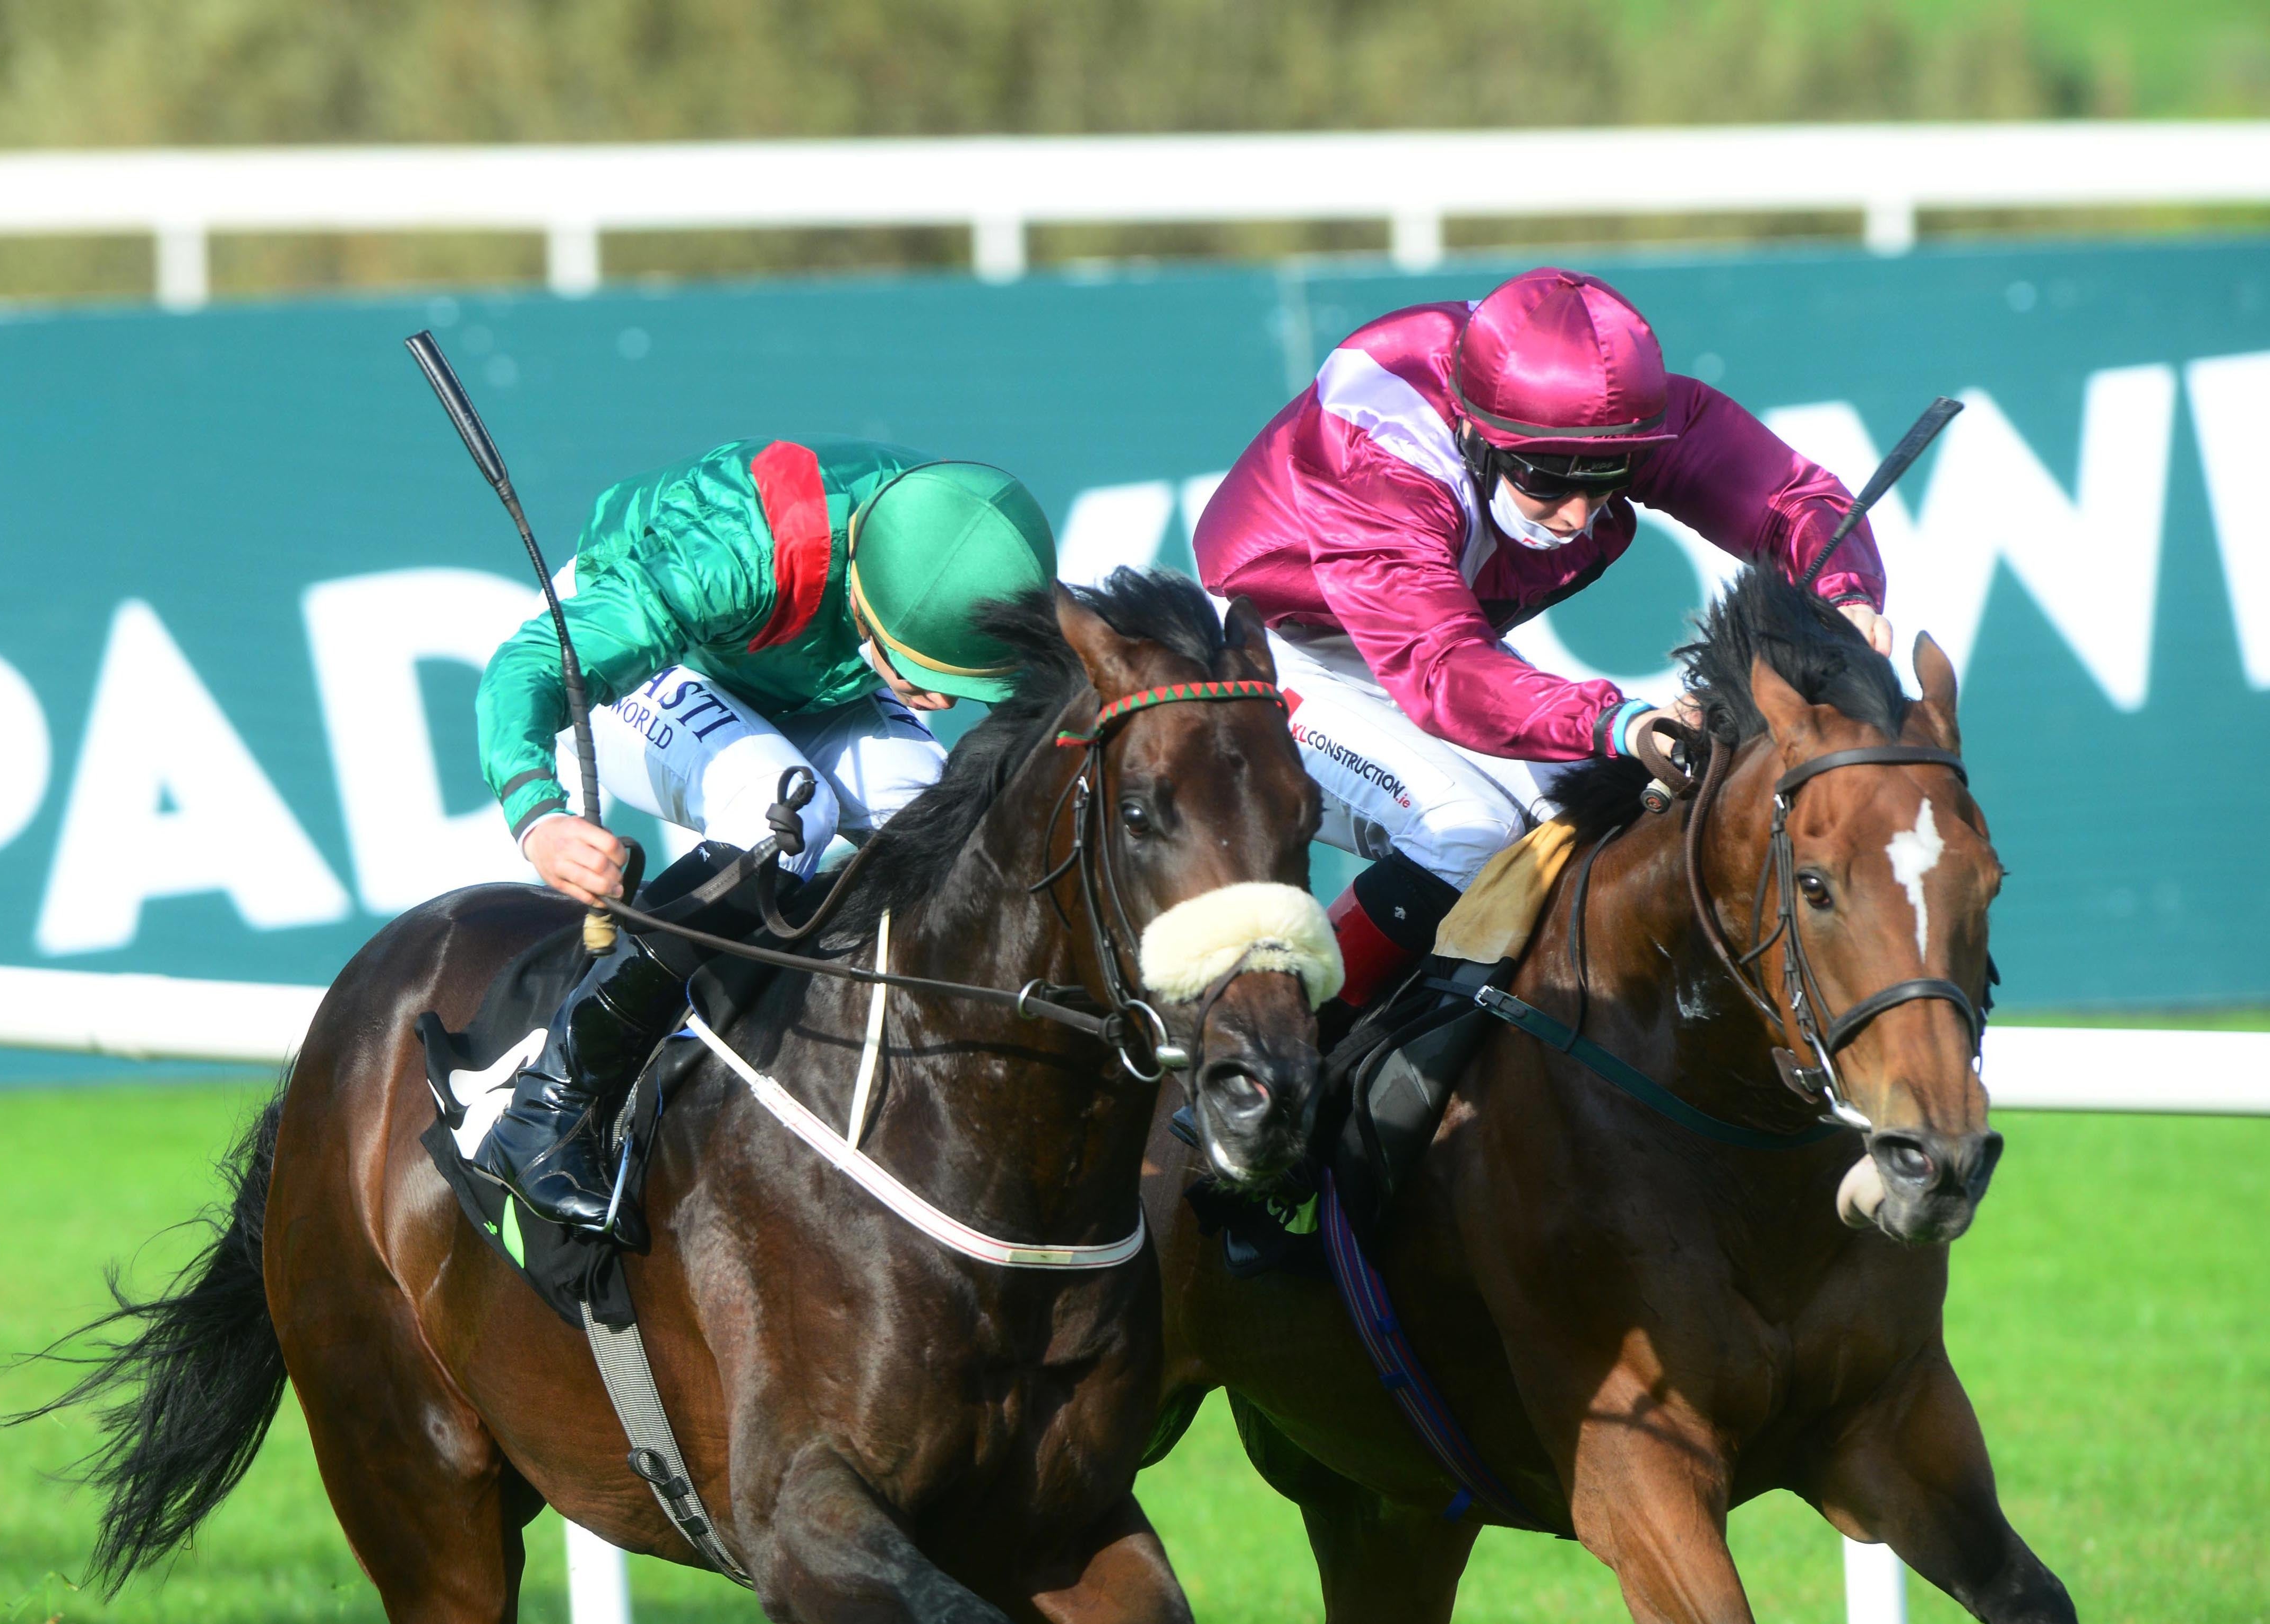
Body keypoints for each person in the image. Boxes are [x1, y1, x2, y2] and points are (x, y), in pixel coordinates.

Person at [1193, 267, 1891, 1015]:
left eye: (1607, 480)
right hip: (1267, 651)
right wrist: (1613, 720)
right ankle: (1281, 1059)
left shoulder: (1613, 409)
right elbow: (1440, 673)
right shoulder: (1383, 451)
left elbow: (1792, 501)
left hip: (1420, 636)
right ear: (1474, 431)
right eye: (1547, 480)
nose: (1575, 515)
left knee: (1585, 830)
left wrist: (1843, 595)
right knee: (1467, 836)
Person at [473, 437, 1057, 1226]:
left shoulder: (955, 540)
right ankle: (552, 1103)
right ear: (873, 602)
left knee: (936, 827)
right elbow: (529, 666)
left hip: (797, 674)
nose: (946, 704)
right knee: (786, 805)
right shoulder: (729, 558)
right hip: (637, 659)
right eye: (935, 678)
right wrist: (537, 816)